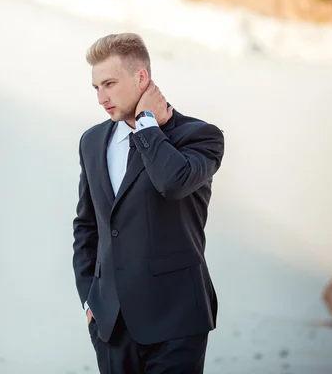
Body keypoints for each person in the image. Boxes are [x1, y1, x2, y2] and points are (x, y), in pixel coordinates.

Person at [72, 33, 225, 373]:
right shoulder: (93, 141)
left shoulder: (200, 136)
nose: (101, 98)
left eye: (109, 84)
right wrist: (90, 299)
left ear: (141, 77)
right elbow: (88, 226)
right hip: (111, 325)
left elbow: (172, 183)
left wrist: (146, 126)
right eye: (96, 87)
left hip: (176, 321)